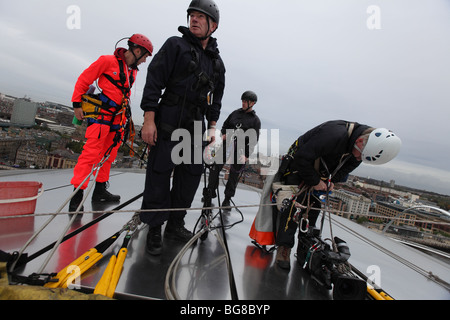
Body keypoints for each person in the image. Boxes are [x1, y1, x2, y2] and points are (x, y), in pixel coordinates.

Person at [249, 120, 401, 270]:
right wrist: (315, 181)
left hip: (319, 173)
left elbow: (345, 169)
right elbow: (302, 158)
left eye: (362, 158)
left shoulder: (361, 151)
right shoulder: (333, 135)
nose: (358, 159)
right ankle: (284, 249)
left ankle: (306, 247)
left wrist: (330, 181)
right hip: (297, 166)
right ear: (360, 141)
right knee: (293, 209)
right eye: (360, 155)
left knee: (313, 210)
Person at [139, 0, 225, 255]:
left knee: (189, 177)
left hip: (194, 128)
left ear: (213, 25)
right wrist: (148, 119)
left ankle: (176, 223)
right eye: (192, 15)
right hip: (167, 120)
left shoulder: (217, 63)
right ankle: (155, 226)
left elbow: (217, 97)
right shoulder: (174, 45)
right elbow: (154, 80)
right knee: (159, 174)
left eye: (201, 16)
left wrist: (212, 127)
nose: (194, 20)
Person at [69, 34, 153, 212]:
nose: (145, 60)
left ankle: (100, 190)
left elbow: (123, 95)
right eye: (145, 56)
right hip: (102, 116)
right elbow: (85, 79)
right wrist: (77, 104)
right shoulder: (107, 61)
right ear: (137, 51)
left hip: (118, 118)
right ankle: (76, 195)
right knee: (90, 154)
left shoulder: (132, 71)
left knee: (108, 155)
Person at [207, 90, 261, 209]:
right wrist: (223, 134)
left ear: (252, 103)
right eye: (242, 100)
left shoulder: (255, 120)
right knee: (215, 169)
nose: (243, 103)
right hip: (226, 145)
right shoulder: (235, 113)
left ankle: (227, 199)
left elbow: (253, 139)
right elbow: (225, 125)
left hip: (240, 148)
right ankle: (210, 193)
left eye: (245, 101)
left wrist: (246, 155)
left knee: (233, 175)